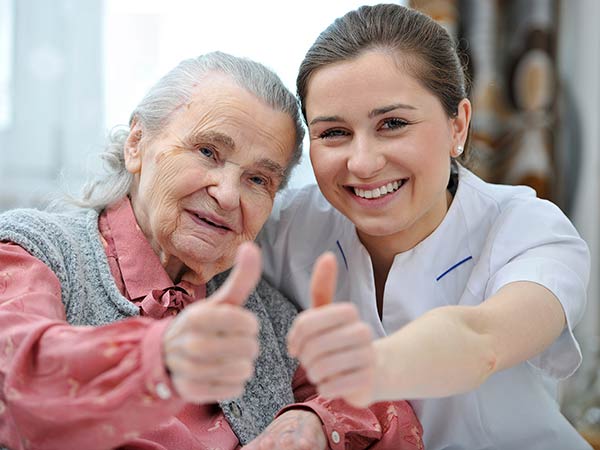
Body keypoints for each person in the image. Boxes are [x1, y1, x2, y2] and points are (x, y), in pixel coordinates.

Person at [0, 52, 424, 450]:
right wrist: (160, 356)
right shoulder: (35, 251)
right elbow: (15, 379)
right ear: (136, 144)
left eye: (258, 180)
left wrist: (309, 424)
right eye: (208, 152)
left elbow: (386, 410)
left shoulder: (264, 315)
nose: (226, 195)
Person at [257, 4, 592, 450]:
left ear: (458, 125)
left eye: (392, 124)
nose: (362, 162)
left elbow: (482, 340)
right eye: (333, 133)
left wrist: (365, 371)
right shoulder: (287, 226)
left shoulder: (528, 229)